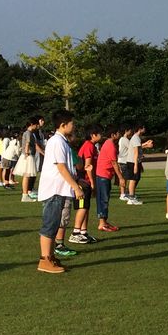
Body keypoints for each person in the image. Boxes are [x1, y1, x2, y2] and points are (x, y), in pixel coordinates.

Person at [36, 110, 80, 275]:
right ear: (63, 125)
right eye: (71, 123)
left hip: (59, 189)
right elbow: (61, 167)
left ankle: (50, 256)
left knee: (54, 224)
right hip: (54, 189)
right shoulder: (56, 141)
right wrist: (75, 187)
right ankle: (44, 259)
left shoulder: (61, 141)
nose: (73, 126)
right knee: (50, 224)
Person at [70, 124, 101, 245]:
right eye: (99, 133)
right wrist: (92, 183)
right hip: (83, 181)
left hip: (85, 181)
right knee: (82, 207)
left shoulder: (91, 146)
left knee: (86, 207)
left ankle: (83, 232)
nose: (101, 135)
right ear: (93, 135)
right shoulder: (88, 146)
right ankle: (75, 233)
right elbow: (88, 166)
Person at [94, 125, 124, 233]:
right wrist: (120, 178)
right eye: (118, 133)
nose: (119, 135)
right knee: (104, 199)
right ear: (113, 135)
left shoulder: (108, 143)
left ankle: (104, 222)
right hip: (103, 175)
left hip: (104, 175)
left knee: (104, 198)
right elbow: (114, 163)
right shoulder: (110, 145)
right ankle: (102, 223)